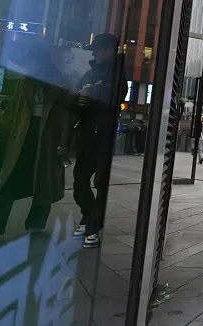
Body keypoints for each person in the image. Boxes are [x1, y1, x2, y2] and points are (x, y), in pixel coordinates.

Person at [0, 43, 76, 238]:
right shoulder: (25, 82)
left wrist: (64, 143)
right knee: (12, 179)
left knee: (43, 182)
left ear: (41, 63)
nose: (29, 67)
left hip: (48, 138)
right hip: (24, 135)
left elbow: (67, 116)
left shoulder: (61, 83)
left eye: (32, 63)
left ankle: (36, 224)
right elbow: (12, 111)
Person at [67, 33, 126, 249]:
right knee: (79, 180)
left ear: (109, 50)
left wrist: (93, 92)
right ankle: (88, 215)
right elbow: (75, 99)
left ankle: (93, 225)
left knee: (101, 182)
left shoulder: (118, 73)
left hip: (104, 134)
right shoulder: (90, 72)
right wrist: (78, 98)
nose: (95, 53)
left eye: (98, 49)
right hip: (86, 133)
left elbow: (117, 96)